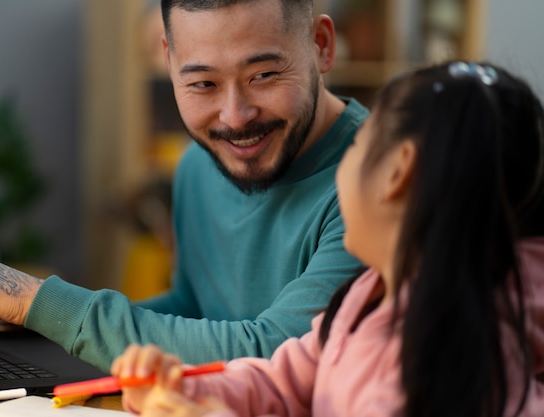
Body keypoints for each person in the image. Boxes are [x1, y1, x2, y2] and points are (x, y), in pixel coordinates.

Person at [0, 0, 367, 373]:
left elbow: (280, 354)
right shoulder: (201, 164)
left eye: (263, 76)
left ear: (321, 45)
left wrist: (43, 303)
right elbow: (196, 306)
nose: (234, 117)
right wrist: (40, 325)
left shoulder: (377, 183)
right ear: (168, 61)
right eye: (203, 83)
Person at [109, 61, 544, 417]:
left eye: (357, 147)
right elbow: (282, 379)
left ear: (397, 173)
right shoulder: (368, 296)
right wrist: (186, 388)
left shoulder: (444, 363)